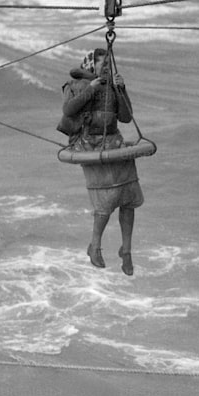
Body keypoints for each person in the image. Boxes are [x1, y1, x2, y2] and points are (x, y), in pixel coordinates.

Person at [58, 47, 144, 275]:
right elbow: (68, 111)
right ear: (91, 65)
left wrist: (122, 89)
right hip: (90, 145)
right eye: (102, 65)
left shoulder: (113, 87)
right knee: (106, 200)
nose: (106, 69)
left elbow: (125, 118)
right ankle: (95, 246)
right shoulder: (75, 85)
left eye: (108, 65)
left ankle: (126, 250)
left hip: (114, 142)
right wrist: (90, 89)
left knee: (128, 196)